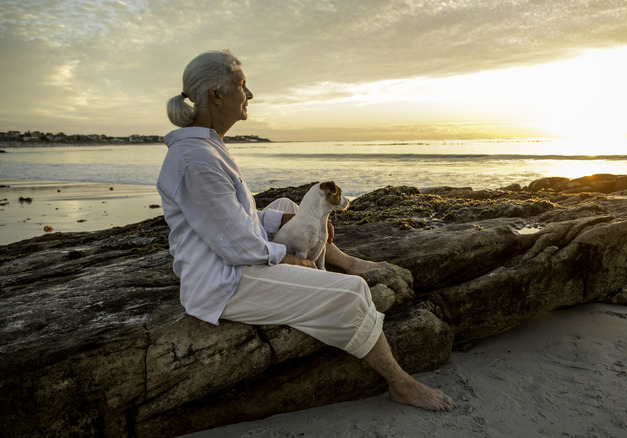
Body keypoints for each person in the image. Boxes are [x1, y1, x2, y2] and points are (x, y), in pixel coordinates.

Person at [157, 49, 454, 412]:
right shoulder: (196, 160)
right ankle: (400, 384)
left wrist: (277, 222)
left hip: (230, 256)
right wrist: (290, 261)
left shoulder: (207, 147)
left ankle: (346, 260)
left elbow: (233, 218)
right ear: (215, 95)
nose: (249, 96)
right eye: (242, 86)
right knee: (352, 293)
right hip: (223, 282)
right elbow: (234, 244)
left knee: (287, 207)